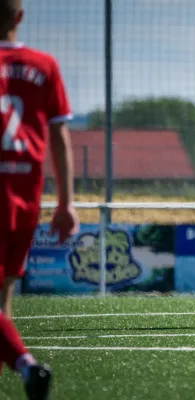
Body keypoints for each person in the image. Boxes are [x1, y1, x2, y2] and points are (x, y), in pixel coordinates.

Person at [1, 0, 80, 397]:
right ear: (19, 16)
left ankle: (27, 367)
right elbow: (60, 139)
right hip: (24, 197)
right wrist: (66, 203)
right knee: (5, 301)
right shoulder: (44, 65)